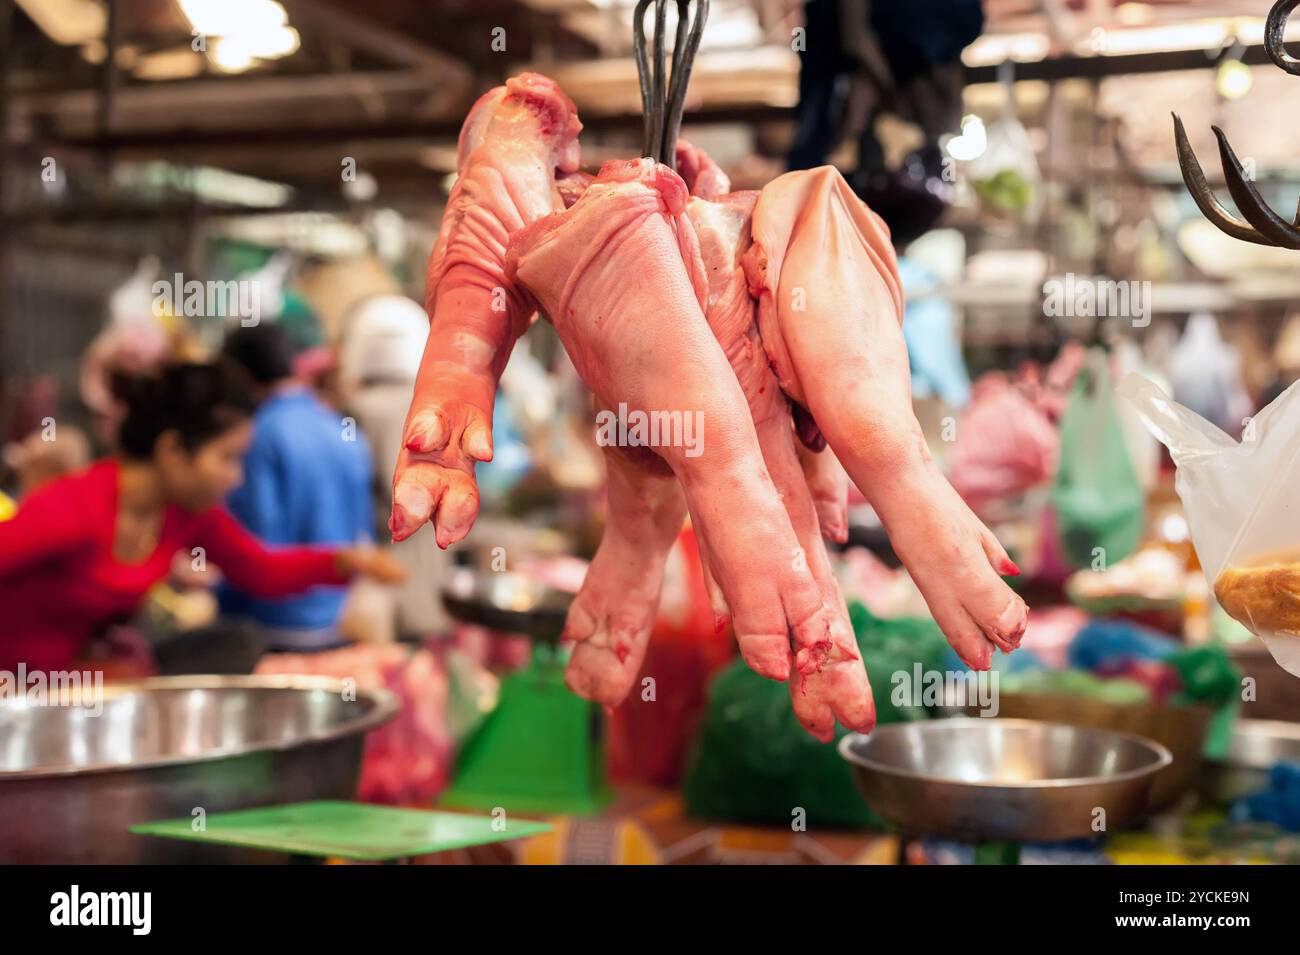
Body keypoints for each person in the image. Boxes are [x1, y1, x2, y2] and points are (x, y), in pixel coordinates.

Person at [0, 362, 403, 673]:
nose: (237, 477)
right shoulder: (73, 511)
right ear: (173, 449)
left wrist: (345, 562)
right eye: (227, 458)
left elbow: (258, 569)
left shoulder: (186, 515)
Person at [219, 324, 378, 651]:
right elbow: (364, 531)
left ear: (239, 374)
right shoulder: (342, 428)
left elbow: (258, 543)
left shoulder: (257, 435)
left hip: (276, 625)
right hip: (340, 617)